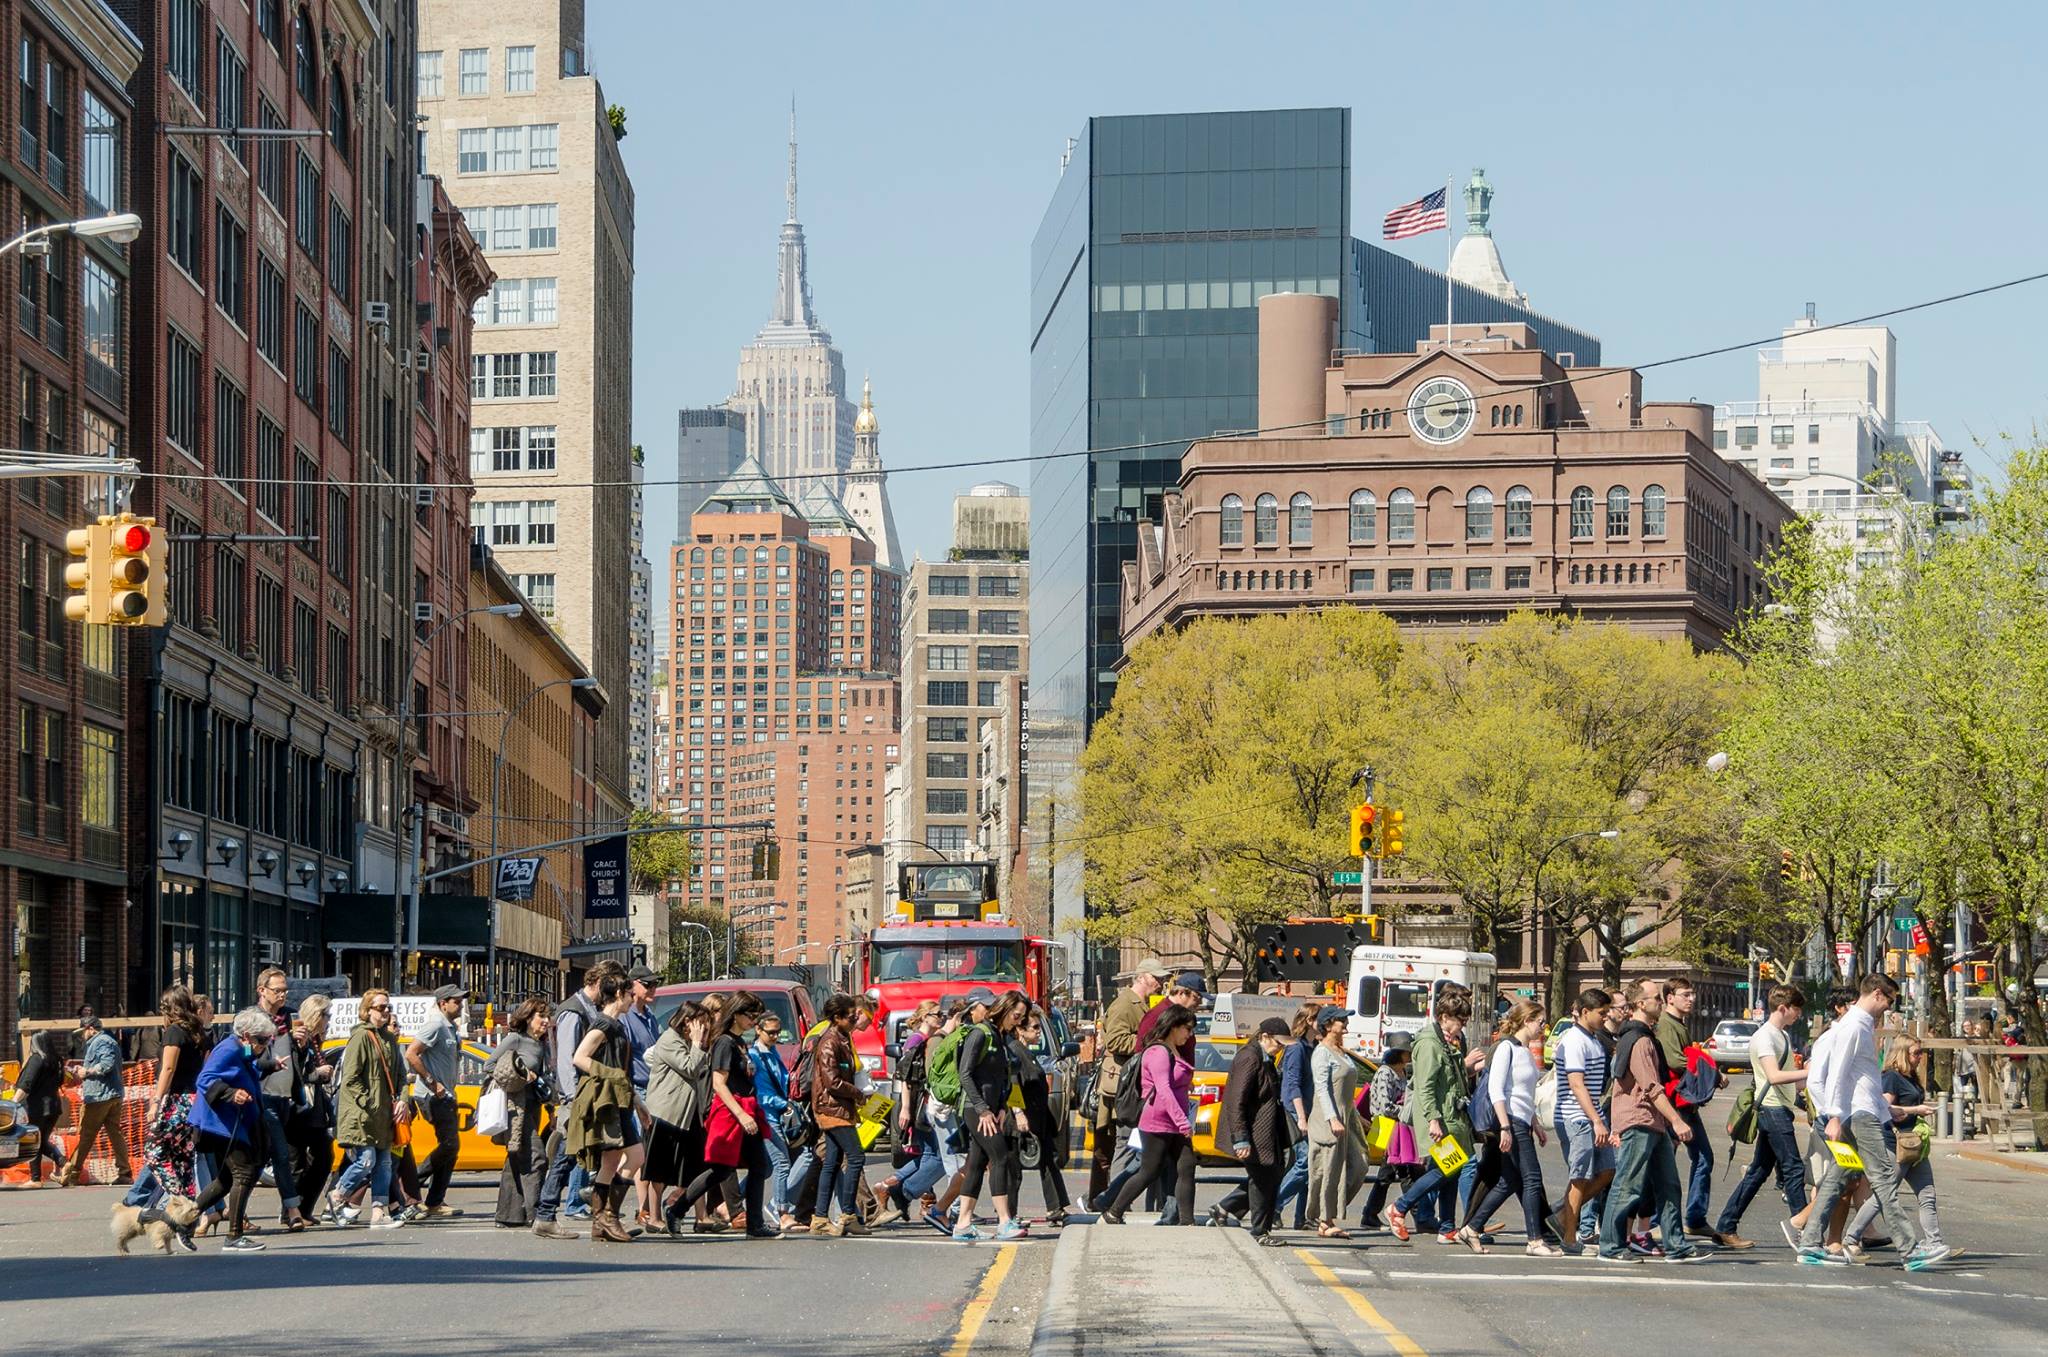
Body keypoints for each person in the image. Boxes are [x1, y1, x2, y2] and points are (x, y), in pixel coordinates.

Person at [1800, 974, 1939, 1270]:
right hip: (1858, 1116)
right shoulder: (1854, 1026)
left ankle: (1810, 1244)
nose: (1888, 1008)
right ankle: (1910, 1250)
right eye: (1889, 1000)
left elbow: (1863, 1079)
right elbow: (1837, 1072)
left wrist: (1888, 1111)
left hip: (1858, 1113)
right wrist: (1834, 1114)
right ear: (1877, 994)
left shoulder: (1859, 1025)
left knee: (1838, 1177)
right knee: (1885, 1179)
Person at [1598, 979, 1703, 1264]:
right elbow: (1651, 1087)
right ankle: (1610, 1246)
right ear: (1641, 1004)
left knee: (1669, 1185)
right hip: (1639, 1120)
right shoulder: (1640, 1040)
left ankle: (1676, 1245)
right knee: (1626, 1186)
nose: (1661, 1001)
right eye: (1656, 997)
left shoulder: (1640, 1035)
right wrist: (1677, 1121)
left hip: (1652, 1122)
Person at [670, 991, 780, 1239]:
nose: (755, 1020)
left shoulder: (740, 1042)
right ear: (737, 1013)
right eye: (751, 1015)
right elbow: (720, 1084)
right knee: (720, 1170)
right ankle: (677, 1210)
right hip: (731, 1112)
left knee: (759, 1165)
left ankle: (755, 1225)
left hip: (747, 1109)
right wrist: (741, 1115)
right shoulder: (724, 1042)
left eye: (757, 1015)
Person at [1711, 984, 1808, 1250]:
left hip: (1778, 1108)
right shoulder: (1765, 1037)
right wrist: (1808, 1074)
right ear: (1783, 1008)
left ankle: (1726, 1226)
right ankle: (1804, 1232)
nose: (1798, 1015)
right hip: (1772, 1109)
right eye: (1796, 1009)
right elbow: (1774, 1076)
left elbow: (1786, 1080)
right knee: (1793, 1168)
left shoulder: (1782, 1036)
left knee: (1758, 1171)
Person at [1845, 1034, 1949, 1265]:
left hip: (1914, 1145)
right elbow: (1884, 1107)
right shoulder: (1891, 1077)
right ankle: (1851, 1237)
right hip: (1896, 1144)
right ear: (1902, 1053)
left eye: (1921, 1053)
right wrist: (1916, 1110)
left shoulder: (1911, 1077)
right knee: (1884, 1195)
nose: (1920, 1057)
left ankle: (1934, 1242)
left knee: (1928, 1194)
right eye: (1915, 1053)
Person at [1463, 1000, 1556, 1256]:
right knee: (1532, 1179)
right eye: (1540, 1022)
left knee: (1509, 1181)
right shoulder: (1507, 1047)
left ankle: (1471, 1228)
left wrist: (1535, 1122)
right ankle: (1535, 1240)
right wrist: (1505, 1126)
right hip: (1511, 1122)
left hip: (1522, 1121)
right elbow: (1496, 1089)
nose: (1543, 1028)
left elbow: (1524, 1093)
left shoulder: (1525, 1051)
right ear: (1527, 1021)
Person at [187, 1008, 278, 1252]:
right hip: (222, 1125)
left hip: (232, 1124)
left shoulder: (243, 1048)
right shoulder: (228, 1049)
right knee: (244, 1174)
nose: (263, 1045)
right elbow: (205, 1079)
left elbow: (249, 1071)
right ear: (246, 1035)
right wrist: (230, 1093)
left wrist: (270, 1065)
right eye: (261, 1040)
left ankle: (182, 1223)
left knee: (226, 1180)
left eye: (268, 1041)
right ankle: (234, 1236)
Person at [1102, 1000, 1199, 1227]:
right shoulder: (1158, 1052)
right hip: (1158, 1121)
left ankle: (1187, 1221)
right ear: (1174, 1026)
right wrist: (1183, 1122)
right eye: (1187, 1028)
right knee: (1148, 1171)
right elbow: (1163, 1090)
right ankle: (1114, 1211)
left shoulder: (1173, 1049)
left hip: (1174, 1121)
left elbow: (1173, 1083)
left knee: (1186, 1167)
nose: (1190, 1034)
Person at [1391, 985, 1475, 1243]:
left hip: (1452, 1117)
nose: (1462, 1025)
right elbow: (1426, 1086)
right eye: (1459, 1020)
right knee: (1446, 1169)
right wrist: (1433, 1119)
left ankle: (1446, 1227)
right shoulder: (1429, 1043)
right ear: (1444, 1017)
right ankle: (1400, 1207)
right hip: (1441, 1119)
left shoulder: (1442, 1041)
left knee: (1454, 1168)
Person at [567, 971, 640, 1243]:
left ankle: (602, 1222)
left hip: (618, 1098)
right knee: (635, 1156)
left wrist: (639, 1104)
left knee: (611, 1162)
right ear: (619, 994)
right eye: (630, 994)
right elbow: (579, 1057)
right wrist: (610, 1074)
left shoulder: (616, 1025)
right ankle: (608, 1217)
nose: (633, 999)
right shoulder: (604, 1024)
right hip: (607, 1100)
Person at [1090, 957, 1171, 1205]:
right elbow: (1115, 1042)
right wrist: (1150, 1044)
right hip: (1121, 1086)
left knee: (1138, 1145)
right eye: (1156, 978)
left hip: (1132, 1082)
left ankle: (1113, 1200)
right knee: (1124, 1144)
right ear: (1142, 977)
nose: (1160, 983)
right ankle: (1113, 1201)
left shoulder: (1143, 1004)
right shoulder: (1125, 1004)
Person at [953, 990, 1032, 1241]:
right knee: (1000, 1157)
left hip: (989, 1109)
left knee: (976, 1163)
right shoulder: (980, 1033)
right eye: (1016, 1015)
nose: (1018, 1021)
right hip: (975, 1109)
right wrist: (983, 1109)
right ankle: (1004, 1221)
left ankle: (963, 1223)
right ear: (1005, 1009)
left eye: (1021, 1017)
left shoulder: (999, 1036)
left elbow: (997, 1077)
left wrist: (999, 1106)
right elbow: (965, 1074)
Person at [327, 987, 407, 1230]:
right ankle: (337, 1195)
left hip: (384, 1114)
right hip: (363, 1114)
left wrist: (402, 1100)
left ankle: (378, 1213)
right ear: (367, 1010)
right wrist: (370, 1103)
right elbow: (350, 1078)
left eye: (388, 1007)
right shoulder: (361, 1037)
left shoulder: (390, 1039)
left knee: (384, 1163)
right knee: (366, 1161)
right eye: (380, 1007)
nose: (385, 1012)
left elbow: (401, 1077)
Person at [1549, 988, 1617, 1253]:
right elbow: (1577, 1085)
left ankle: (1562, 1215)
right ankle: (1568, 1236)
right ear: (1585, 1012)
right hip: (1575, 1117)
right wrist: (1597, 1121)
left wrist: (1599, 1120)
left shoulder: (1592, 1039)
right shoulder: (1574, 1040)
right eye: (1602, 1013)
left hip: (1591, 1116)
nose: (1606, 1016)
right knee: (1580, 1176)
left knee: (1607, 1171)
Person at [1656, 977, 1719, 1241]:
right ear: (1670, 997)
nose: (1691, 999)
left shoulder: (1679, 1024)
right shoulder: (1667, 1025)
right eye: (1685, 994)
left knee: (1703, 1158)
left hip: (1686, 1103)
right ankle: (1659, 1223)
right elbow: (1675, 1060)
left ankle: (1694, 1218)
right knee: (1663, 1166)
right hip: (1674, 1104)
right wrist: (1711, 1071)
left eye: (1692, 994)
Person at [1222, 1017, 1294, 1244]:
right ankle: (1259, 1232)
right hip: (1253, 1133)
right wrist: (1240, 1138)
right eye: (1278, 1042)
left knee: (1270, 1175)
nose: (1280, 1047)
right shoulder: (1249, 1058)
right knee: (1263, 1178)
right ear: (1264, 1037)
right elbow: (1236, 1101)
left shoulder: (1265, 1058)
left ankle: (1227, 1209)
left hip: (1265, 1132)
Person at [134, 985, 208, 1202]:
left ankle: (179, 1198)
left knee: (154, 1152)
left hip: (176, 1100)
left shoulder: (174, 1032)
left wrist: (156, 1100)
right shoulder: (197, 1032)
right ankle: (188, 1211)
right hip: (194, 1100)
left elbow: (168, 1068)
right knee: (183, 1157)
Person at [645, 1000, 713, 1233]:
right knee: (658, 1169)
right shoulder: (669, 1041)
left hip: (688, 1113)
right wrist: (697, 1044)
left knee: (695, 1166)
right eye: (701, 1023)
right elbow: (690, 1068)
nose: (704, 1028)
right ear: (688, 1022)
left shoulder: (688, 1042)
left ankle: (701, 1217)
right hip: (666, 1113)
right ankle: (653, 1217)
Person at [403, 984, 468, 1219]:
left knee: (451, 1148)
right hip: (433, 1096)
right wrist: (434, 1083)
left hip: (447, 1095)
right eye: (456, 1001)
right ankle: (410, 1187)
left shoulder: (450, 1028)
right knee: (450, 1145)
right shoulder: (436, 1024)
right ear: (443, 1003)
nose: (460, 1005)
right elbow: (411, 1053)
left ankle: (434, 1201)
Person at [807, 994, 869, 1236]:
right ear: (837, 1017)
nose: (855, 1019)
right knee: (856, 1157)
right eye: (851, 1016)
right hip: (832, 1109)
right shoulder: (830, 1042)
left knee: (831, 1162)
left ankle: (820, 1218)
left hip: (839, 1108)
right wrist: (858, 1093)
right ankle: (847, 1215)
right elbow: (832, 1082)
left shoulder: (843, 1038)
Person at [488, 997, 553, 1228]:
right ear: (527, 1018)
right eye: (541, 1016)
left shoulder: (542, 1044)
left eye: (547, 1016)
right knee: (537, 1157)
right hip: (517, 1107)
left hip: (533, 1106)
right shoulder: (516, 1039)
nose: (546, 1021)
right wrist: (523, 1073)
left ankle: (508, 1215)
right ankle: (537, 1214)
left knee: (516, 1159)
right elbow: (490, 1066)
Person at [1303, 1005, 1367, 1238]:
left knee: (1360, 1163)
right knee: (1328, 1170)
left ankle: (1329, 1212)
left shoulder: (1341, 1051)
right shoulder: (1321, 1053)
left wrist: (1356, 1116)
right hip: (1328, 1118)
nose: (1346, 1024)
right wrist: (1332, 1119)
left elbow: (1346, 1092)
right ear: (1328, 1025)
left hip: (1346, 1115)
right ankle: (1324, 1220)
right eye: (1341, 1021)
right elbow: (1322, 1089)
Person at [1012, 1005, 1072, 1225]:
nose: (1038, 1032)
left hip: (1040, 1114)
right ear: (1020, 1029)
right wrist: (1018, 1113)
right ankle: (1009, 1213)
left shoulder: (1029, 1052)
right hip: (1025, 1117)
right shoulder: (1016, 1051)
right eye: (1034, 1027)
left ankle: (1056, 1206)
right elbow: (1013, 1086)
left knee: (1049, 1159)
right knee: (1015, 1166)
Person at [59, 1012, 133, 1187]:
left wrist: (87, 1072)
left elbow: (106, 1064)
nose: (81, 1037)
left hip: (100, 1096)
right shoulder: (105, 1041)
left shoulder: (101, 1041)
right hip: (111, 1094)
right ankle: (124, 1171)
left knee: (87, 1134)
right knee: (115, 1134)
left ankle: (72, 1173)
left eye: (82, 1032)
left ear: (90, 1029)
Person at [1359, 1032, 1418, 1231]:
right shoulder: (1385, 1073)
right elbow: (1384, 1106)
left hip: (1399, 1127)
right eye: (1407, 1051)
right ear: (1399, 1053)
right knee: (1399, 1171)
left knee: (1391, 1172)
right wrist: (1406, 1112)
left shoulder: (1403, 1072)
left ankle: (1371, 1213)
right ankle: (1416, 1213)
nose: (1410, 1055)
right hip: (1385, 1126)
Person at [287, 996, 338, 1221]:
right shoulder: (299, 1039)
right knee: (295, 1164)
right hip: (298, 1110)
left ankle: (304, 1208)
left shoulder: (315, 1041)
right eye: (326, 1016)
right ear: (316, 1015)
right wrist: (319, 1074)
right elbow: (295, 1075)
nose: (329, 1021)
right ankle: (292, 1211)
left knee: (324, 1157)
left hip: (315, 1110)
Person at [622, 965, 663, 1226]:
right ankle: (642, 1209)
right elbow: (624, 1058)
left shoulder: (649, 1017)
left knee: (649, 1152)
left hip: (654, 1088)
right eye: (647, 985)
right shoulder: (625, 1018)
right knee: (641, 1153)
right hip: (636, 1089)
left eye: (654, 984)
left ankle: (646, 1209)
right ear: (633, 985)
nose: (652, 989)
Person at [749, 1011, 794, 1225]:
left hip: (773, 1114)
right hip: (766, 1116)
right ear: (758, 1030)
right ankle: (780, 1211)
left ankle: (733, 1204)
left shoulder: (771, 1050)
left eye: (778, 1032)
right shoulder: (755, 1056)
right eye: (771, 1033)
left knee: (765, 1166)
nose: (775, 1037)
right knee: (782, 1162)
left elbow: (781, 1080)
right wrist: (783, 1103)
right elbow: (760, 1094)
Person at [18, 1030, 66, 1185]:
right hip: (53, 1106)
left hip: (37, 1108)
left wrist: (13, 1103)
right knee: (41, 1141)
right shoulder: (57, 1061)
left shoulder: (36, 1059)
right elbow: (61, 1081)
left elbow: (26, 1084)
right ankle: (64, 1164)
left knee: (33, 1141)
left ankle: (35, 1178)